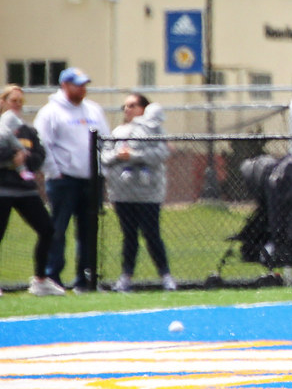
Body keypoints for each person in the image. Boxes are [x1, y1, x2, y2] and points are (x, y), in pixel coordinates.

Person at [34, 67, 111, 292]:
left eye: (84, 84)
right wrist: (54, 171)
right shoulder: (50, 112)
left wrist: (102, 169)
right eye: (78, 85)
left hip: (91, 181)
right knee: (57, 230)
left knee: (88, 231)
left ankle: (85, 279)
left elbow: (105, 140)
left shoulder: (94, 110)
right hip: (63, 181)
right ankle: (52, 277)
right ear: (64, 85)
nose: (82, 89)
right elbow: (43, 144)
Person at [100, 93, 176, 292]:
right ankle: (126, 277)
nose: (127, 109)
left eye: (132, 105)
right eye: (125, 106)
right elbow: (105, 156)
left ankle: (166, 276)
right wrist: (119, 155)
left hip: (148, 194)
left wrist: (133, 155)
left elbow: (161, 153)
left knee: (152, 234)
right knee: (129, 236)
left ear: (144, 108)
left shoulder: (154, 131)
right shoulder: (118, 132)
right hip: (122, 194)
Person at [0, 85, 65, 297]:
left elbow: (39, 156)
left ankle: (40, 280)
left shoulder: (28, 131)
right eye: (13, 101)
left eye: (20, 101)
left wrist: (25, 159)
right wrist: (11, 157)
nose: (17, 105)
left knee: (47, 230)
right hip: (3, 190)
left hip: (25, 190)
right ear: (2, 102)